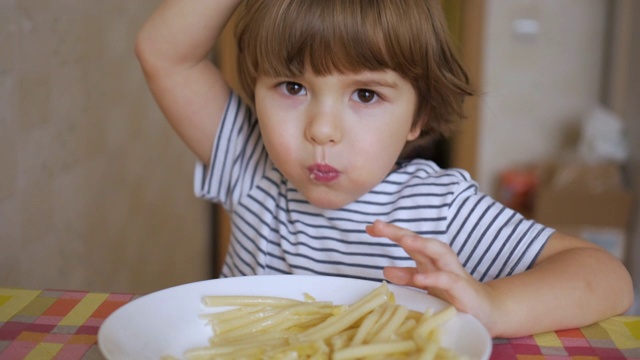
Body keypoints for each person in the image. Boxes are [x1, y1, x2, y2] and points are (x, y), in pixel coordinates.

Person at [135, 0, 633, 338]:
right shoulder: (251, 167)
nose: (322, 130)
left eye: (366, 94)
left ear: (416, 116)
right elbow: (164, 52)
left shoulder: (442, 208)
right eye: (291, 87)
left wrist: (494, 306)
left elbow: (606, 276)